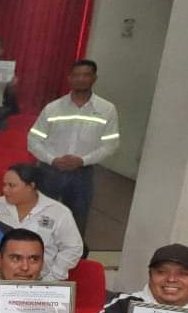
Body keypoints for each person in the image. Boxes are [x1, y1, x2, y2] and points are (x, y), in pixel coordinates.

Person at [27, 60, 120, 236]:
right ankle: (40, 248)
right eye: (76, 75)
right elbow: (33, 140)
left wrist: (83, 160)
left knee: (78, 219)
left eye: (86, 75)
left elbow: (111, 144)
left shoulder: (107, 109)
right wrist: (53, 160)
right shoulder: (53, 108)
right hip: (50, 171)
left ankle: (73, 252)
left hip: (82, 173)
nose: (81, 79)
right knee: (42, 217)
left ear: (94, 78)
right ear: (69, 78)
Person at [0, 163, 83, 281]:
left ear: (31, 186)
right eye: (4, 184)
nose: (5, 190)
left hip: (41, 282)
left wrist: (51, 278)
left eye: (11, 185)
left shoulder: (58, 211)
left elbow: (73, 248)